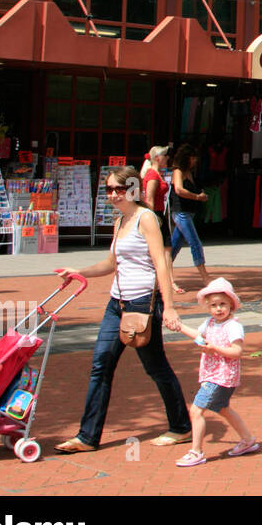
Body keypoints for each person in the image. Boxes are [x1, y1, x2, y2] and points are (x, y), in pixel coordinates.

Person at [55, 166, 190, 453]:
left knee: (156, 368)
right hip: (116, 304)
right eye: (108, 189)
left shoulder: (146, 219)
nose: (113, 194)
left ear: (133, 189)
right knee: (100, 366)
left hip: (141, 304)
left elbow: (161, 264)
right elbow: (111, 264)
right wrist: (79, 272)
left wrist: (170, 308)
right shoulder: (120, 222)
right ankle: (87, 437)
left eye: (119, 188)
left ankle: (181, 427)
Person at [172, 278, 259, 466]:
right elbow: (198, 336)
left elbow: (237, 352)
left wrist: (215, 349)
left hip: (222, 376)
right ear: (207, 306)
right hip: (212, 374)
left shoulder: (233, 326)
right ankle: (247, 439)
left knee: (196, 411)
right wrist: (179, 326)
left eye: (222, 304)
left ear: (231, 305)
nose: (218, 309)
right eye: (213, 305)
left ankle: (196, 451)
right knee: (222, 408)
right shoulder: (210, 323)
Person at [169, 146, 211, 288]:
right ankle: (205, 277)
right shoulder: (178, 171)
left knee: (174, 246)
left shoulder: (188, 172)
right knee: (195, 243)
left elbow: (192, 189)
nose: (195, 161)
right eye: (192, 158)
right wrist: (197, 197)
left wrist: (201, 194)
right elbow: (179, 190)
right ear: (186, 158)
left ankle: (158, 273)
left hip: (188, 212)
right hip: (181, 212)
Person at [140, 146, 180, 294]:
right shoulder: (152, 175)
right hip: (155, 214)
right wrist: (151, 220)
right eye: (165, 156)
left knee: (166, 249)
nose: (167, 158)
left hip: (158, 214)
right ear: (157, 158)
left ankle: (168, 280)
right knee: (163, 250)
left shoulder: (155, 173)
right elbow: (149, 198)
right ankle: (167, 281)